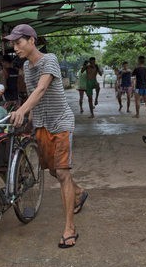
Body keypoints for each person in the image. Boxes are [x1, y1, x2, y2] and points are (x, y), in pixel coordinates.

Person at [5, 24, 87, 249]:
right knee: (52, 170)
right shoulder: (25, 66)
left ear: (32, 40)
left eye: (18, 42)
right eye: (13, 43)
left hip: (60, 122)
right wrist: (28, 119)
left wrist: (21, 110)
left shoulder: (49, 59)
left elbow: (40, 90)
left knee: (62, 172)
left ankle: (70, 228)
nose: (15, 48)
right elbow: (34, 96)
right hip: (41, 124)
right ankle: (79, 192)